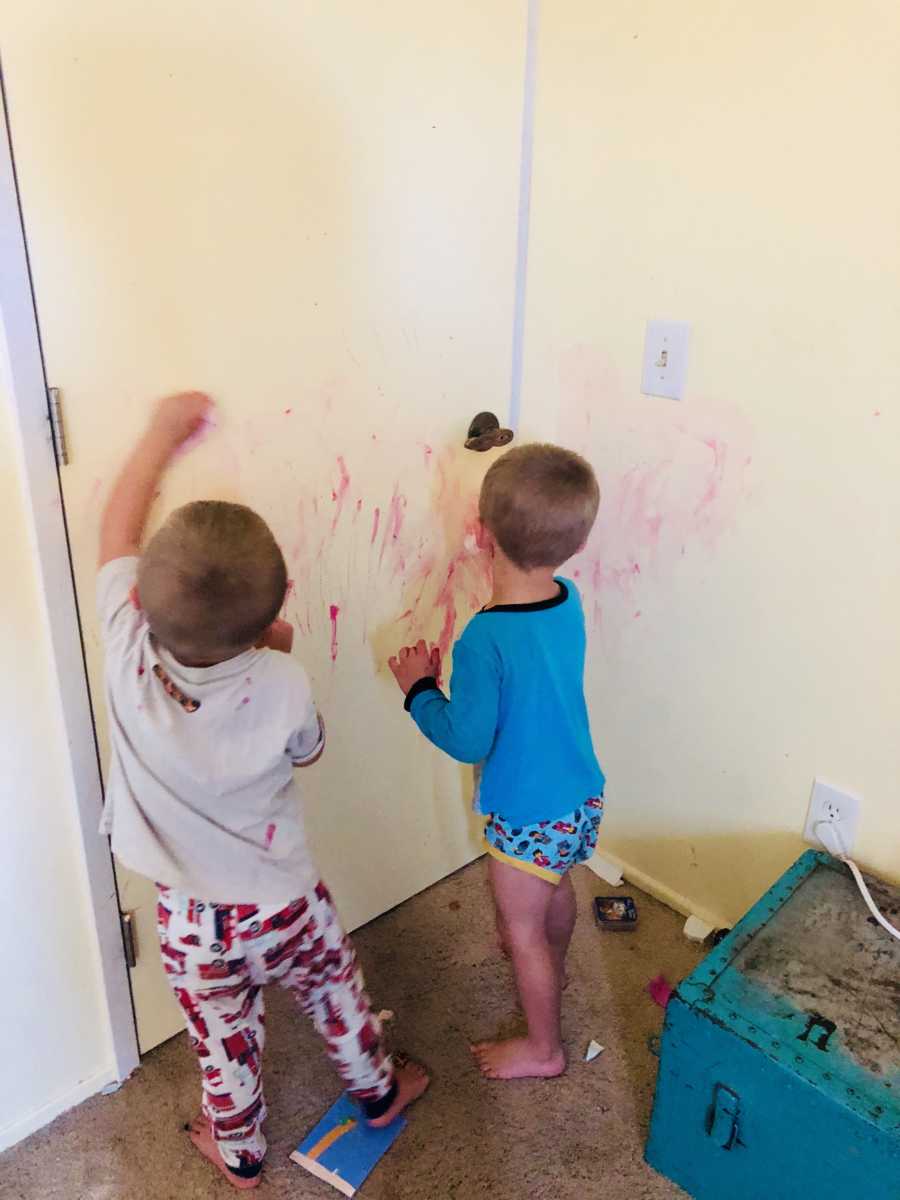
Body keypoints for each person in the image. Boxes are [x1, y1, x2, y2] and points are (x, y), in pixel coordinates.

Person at [97, 393, 427, 1190]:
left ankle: (240, 1152)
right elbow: (309, 752)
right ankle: (378, 1090)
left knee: (223, 1036)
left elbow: (114, 532)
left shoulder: (124, 652)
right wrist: (277, 651)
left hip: (188, 918)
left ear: (138, 601)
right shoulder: (282, 678)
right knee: (334, 992)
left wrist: (161, 434)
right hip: (284, 902)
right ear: (271, 618)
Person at [389, 443, 605, 1081]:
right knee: (555, 883)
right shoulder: (567, 599)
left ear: (480, 535)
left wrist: (418, 690)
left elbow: (467, 740)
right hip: (579, 795)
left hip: (526, 813)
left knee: (520, 931)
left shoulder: (484, 638)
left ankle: (544, 1049)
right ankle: (552, 963)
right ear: (577, 545)